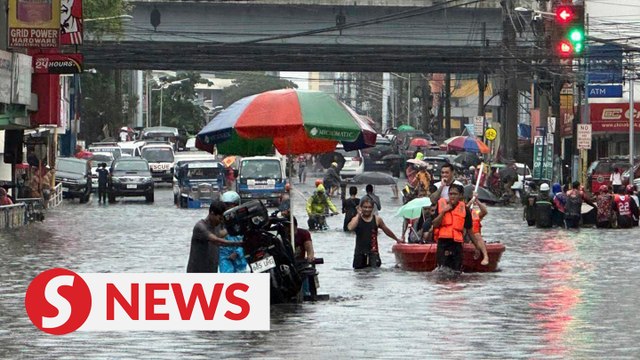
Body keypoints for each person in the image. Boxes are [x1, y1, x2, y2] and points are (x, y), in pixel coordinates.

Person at [186, 200, 244, 273]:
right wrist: (241, 244)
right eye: (220, 218)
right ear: (212, 213)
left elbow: (221, 234)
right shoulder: (200, 227)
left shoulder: (216, 225)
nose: (221, 221)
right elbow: (217, 241)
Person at [347, 196, 402, 269]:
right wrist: (358, 214)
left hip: (373, 254)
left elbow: (386, 230)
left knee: (374, 275)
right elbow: (350, 227)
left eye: (369, 207)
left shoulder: (377, 219)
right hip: (359, 254)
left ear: (372, 208)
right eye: (365, 207)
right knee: (360, 275)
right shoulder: (357, 219)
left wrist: (397, 239)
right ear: (361, 207)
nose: (367, 209)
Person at [431, 184, 472, 272]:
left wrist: (477, 247)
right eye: (450, 194)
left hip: (457, 244)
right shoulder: (441, 205)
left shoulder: (465, 209)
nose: (452, 196)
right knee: (442, 270)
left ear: (461, 195)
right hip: (443, 243)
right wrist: (443, 212)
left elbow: (470, 230)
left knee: (456, 271)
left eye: (455, 194)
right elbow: (434, 224)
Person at [218, 192, 248, 273]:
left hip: (240, 255)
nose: (227, 208)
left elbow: (247, 238)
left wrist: (237, 252)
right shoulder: (219, 219)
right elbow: (216, 236)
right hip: (224, 255)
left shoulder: (243, 219)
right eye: (225, 205)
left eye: (229, 205)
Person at [467, 195, 490, 266]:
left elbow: (484, 212)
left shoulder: (475, 213)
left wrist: (477, 201)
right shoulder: (461, 211)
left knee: (477, 234)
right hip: (463, 237)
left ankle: (485, 256)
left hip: (475, 238)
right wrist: (469, 203)